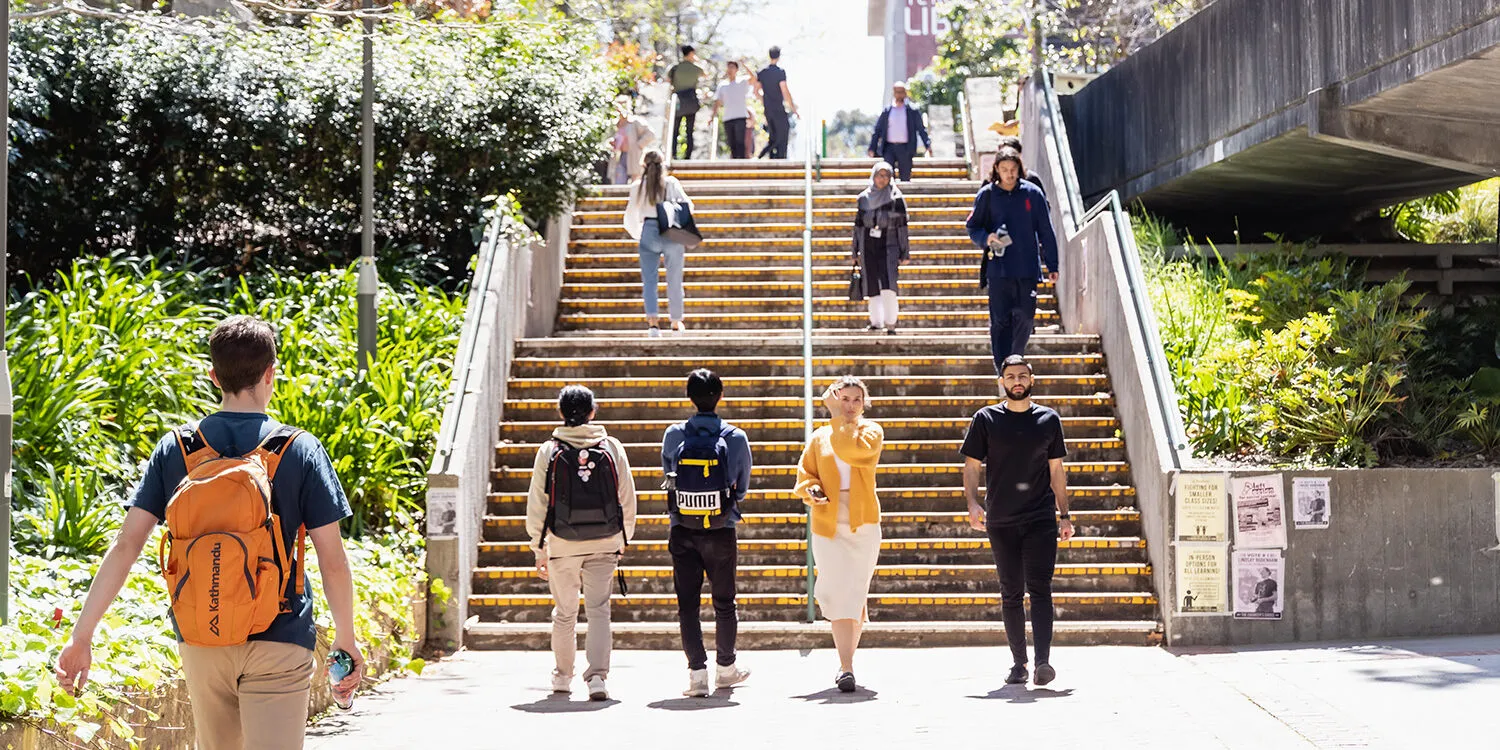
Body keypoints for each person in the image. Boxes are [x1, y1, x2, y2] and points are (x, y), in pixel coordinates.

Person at [55, 315, 364, 750]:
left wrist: (81, 635)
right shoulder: (299, 449)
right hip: (280, 635)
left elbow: (126, 546)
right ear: (271, 373)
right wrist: (346, 640)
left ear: (214, 376)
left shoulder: (176, 448)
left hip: (203, 634)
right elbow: (332, 560)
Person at [961, 354, 1073, 687]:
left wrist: (1065, 515)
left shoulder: (1048, 419)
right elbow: (971, 466)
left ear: (1032, 379)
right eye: (1010, 377)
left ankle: (1043, 662)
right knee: (1010, 592)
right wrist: (972, 503)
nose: (1017, 381)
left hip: (1040, 517)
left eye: (1022, 376)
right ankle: (1019, 663)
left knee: (1040, 589)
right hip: (1001, 518)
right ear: (1002, 382)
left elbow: (1056, 469)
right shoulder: (986, 419)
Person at [526, 385, 637, 701]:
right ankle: (597, 678)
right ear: (592, 411)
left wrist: (538, 547)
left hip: (562, 543)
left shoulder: (549, 450)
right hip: (605, 540)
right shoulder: (611, 446)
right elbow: (627, 495)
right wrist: (624, 536)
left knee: (564, 613)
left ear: (561, 412)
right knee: (599, 610)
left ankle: (563, 677)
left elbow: (537, 502)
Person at [661, 369, 753, 697]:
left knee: (687, 604)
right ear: (721, 396)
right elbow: (742, 487)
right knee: (724, 602)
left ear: (689, 397)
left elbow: (669, 476)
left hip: (682, 527)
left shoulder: (674, 435)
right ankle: (726, 669)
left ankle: (697, 676)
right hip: (721, 528)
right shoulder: (735, 437)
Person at [794, 376, 884, 693]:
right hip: (828, 520)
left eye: (856, 399)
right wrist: (811, 490)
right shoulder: (819, 437)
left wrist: (835, 417)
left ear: (864, 403)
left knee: (855, 591)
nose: (849, 405)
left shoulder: (871, 432)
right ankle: (846, 665)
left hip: (863, 522)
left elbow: (850, 451)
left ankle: (846, 666)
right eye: (843, 399)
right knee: (835, 590)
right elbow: (805, 474)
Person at [965, 147, 1060, 375]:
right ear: (996, 169)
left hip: (1027, 268)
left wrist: (1052, 264)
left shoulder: (1032, 194)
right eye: (1004, 169)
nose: (1009, 174)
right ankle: (1003, 371)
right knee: (1000, 321)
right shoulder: (987, 195)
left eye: (1013, 169)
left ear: (1019, 169)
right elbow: (973, 226)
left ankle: (1014, 360)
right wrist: (986, 238)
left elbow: (1046, 231)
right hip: (998, 269)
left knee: (1026, 317)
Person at [623, 148, 694, 336]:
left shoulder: (638, 187)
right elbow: (688, 206)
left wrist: (639, 234)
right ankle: (676, 322)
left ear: (644, 165)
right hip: (671, 231)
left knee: (649, 280)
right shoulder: (671, 183)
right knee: (675, 279)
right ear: (663, 164)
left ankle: (653, 325)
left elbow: (630, 215)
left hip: (648, 230)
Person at [853, 161, 910, 334]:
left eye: (886, 176)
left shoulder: (896, 199)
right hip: (868, 243)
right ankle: (876, 322)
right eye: (879, 175)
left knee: (888, 282)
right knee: (871, 282)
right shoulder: (863, 199)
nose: (882, 179)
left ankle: (890, 322)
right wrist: (854, 250)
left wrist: (904, 252)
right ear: (873, 176)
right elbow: (857, 227)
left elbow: (902, 228)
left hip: (889, 244)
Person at [867, 81, 932, 181]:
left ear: (905, 93)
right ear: (894, 93)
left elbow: (921, 129)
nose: (899, 94)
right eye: (897, 92)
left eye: (901, 92)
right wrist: (872, 148)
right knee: (887, 177)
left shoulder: (912, 111)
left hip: (906, 148)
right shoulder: (887, 111)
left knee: (905, 177)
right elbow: (878, 130)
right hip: (889, 148)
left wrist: (927, 145)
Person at [755, 46, 797, 159]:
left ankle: (763, 158)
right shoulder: (780, 72)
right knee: (782, 135)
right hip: (778, 109)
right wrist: (793, 109)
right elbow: (785, 91)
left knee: (773, 137)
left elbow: (756, 91)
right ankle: (777, 159)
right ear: (779, 56)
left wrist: (765, 101)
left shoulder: (762, 72)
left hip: (768, 109)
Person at [609, 94, 659, 185]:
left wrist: (639, 145)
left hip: (634, 156)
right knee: (619, 183)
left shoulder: (635, 122)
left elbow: (651, 134)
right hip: (620, 156)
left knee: (635, 182)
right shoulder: (616, 124)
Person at [668, 45, 705, 160]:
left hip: (677, 101)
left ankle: (673, 154)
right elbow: (705, 75)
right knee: (689, 131)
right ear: (691, 53)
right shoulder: (696, 68)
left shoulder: (675, 68)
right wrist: (697, 61)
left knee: (675, 130)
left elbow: (668, 81)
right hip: (691, 101)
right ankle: (688, 156)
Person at [712, 61, 753, 160]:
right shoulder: (722, 85)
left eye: (732, 67)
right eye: (728, 67)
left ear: (737, 69)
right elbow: (718, 102)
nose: (730, 69)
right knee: (732, 144)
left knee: (740, 143)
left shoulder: (742, 82)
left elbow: (753, 78)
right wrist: (712, 116)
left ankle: (742, 164)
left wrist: (744, 64)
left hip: (740, 117)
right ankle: (734, 165)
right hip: (727, 118)